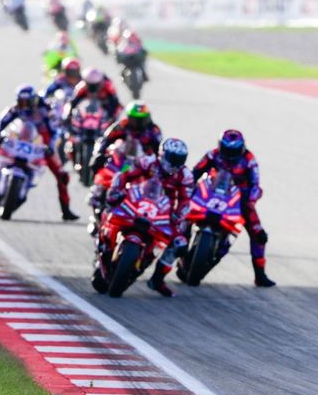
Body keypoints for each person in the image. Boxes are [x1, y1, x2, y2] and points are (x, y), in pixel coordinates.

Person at [96, 138, 194, 297]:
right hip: (138, 200)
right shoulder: (148, 162)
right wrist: (116, 190)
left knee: (179, 243)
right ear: (162, 154)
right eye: (172, 158)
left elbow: (185, 200)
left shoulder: (185, 176)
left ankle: (157, 279)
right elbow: (124, 174)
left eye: (179, 160)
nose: (175, 163)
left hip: (163, 211)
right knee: (107, 211)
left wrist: (178, 215)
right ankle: (104, 244)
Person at [191, 129, 274, 287]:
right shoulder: (212, 155)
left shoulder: (249, 160)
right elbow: (195, 172)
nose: (229, 155)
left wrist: (251, 199)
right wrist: (190, 186)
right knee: (182, 212)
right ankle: (177, 248)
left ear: (241, 148)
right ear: (220, 146)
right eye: (226, 150)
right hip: (212, 192)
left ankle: (260, 274)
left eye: (233, 151)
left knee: (259, 234)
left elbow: (255, 184)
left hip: (237, 198)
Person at [0, 85, 79, 221]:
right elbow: (1, 122)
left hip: (42, 143)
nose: (24, 106)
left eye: (27, 102)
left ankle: (65, 210)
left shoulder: (46, 109)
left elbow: (56, 130)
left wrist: (50, 145)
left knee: (62, 175)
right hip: (20, 138)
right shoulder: (15, 108)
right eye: (21, 102)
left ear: (34, 100)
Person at [87, 102, 163, 232]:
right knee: (100, 173)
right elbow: (105, 140)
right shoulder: (121, 125)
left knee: (155, 186)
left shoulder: (154, 130)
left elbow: (160, 152)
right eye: (134, 119)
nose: (137, 123)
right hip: (122, 162)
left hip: (141, 165)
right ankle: (97, 202)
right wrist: (98, 154)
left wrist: (157, 165)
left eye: (141, 120)